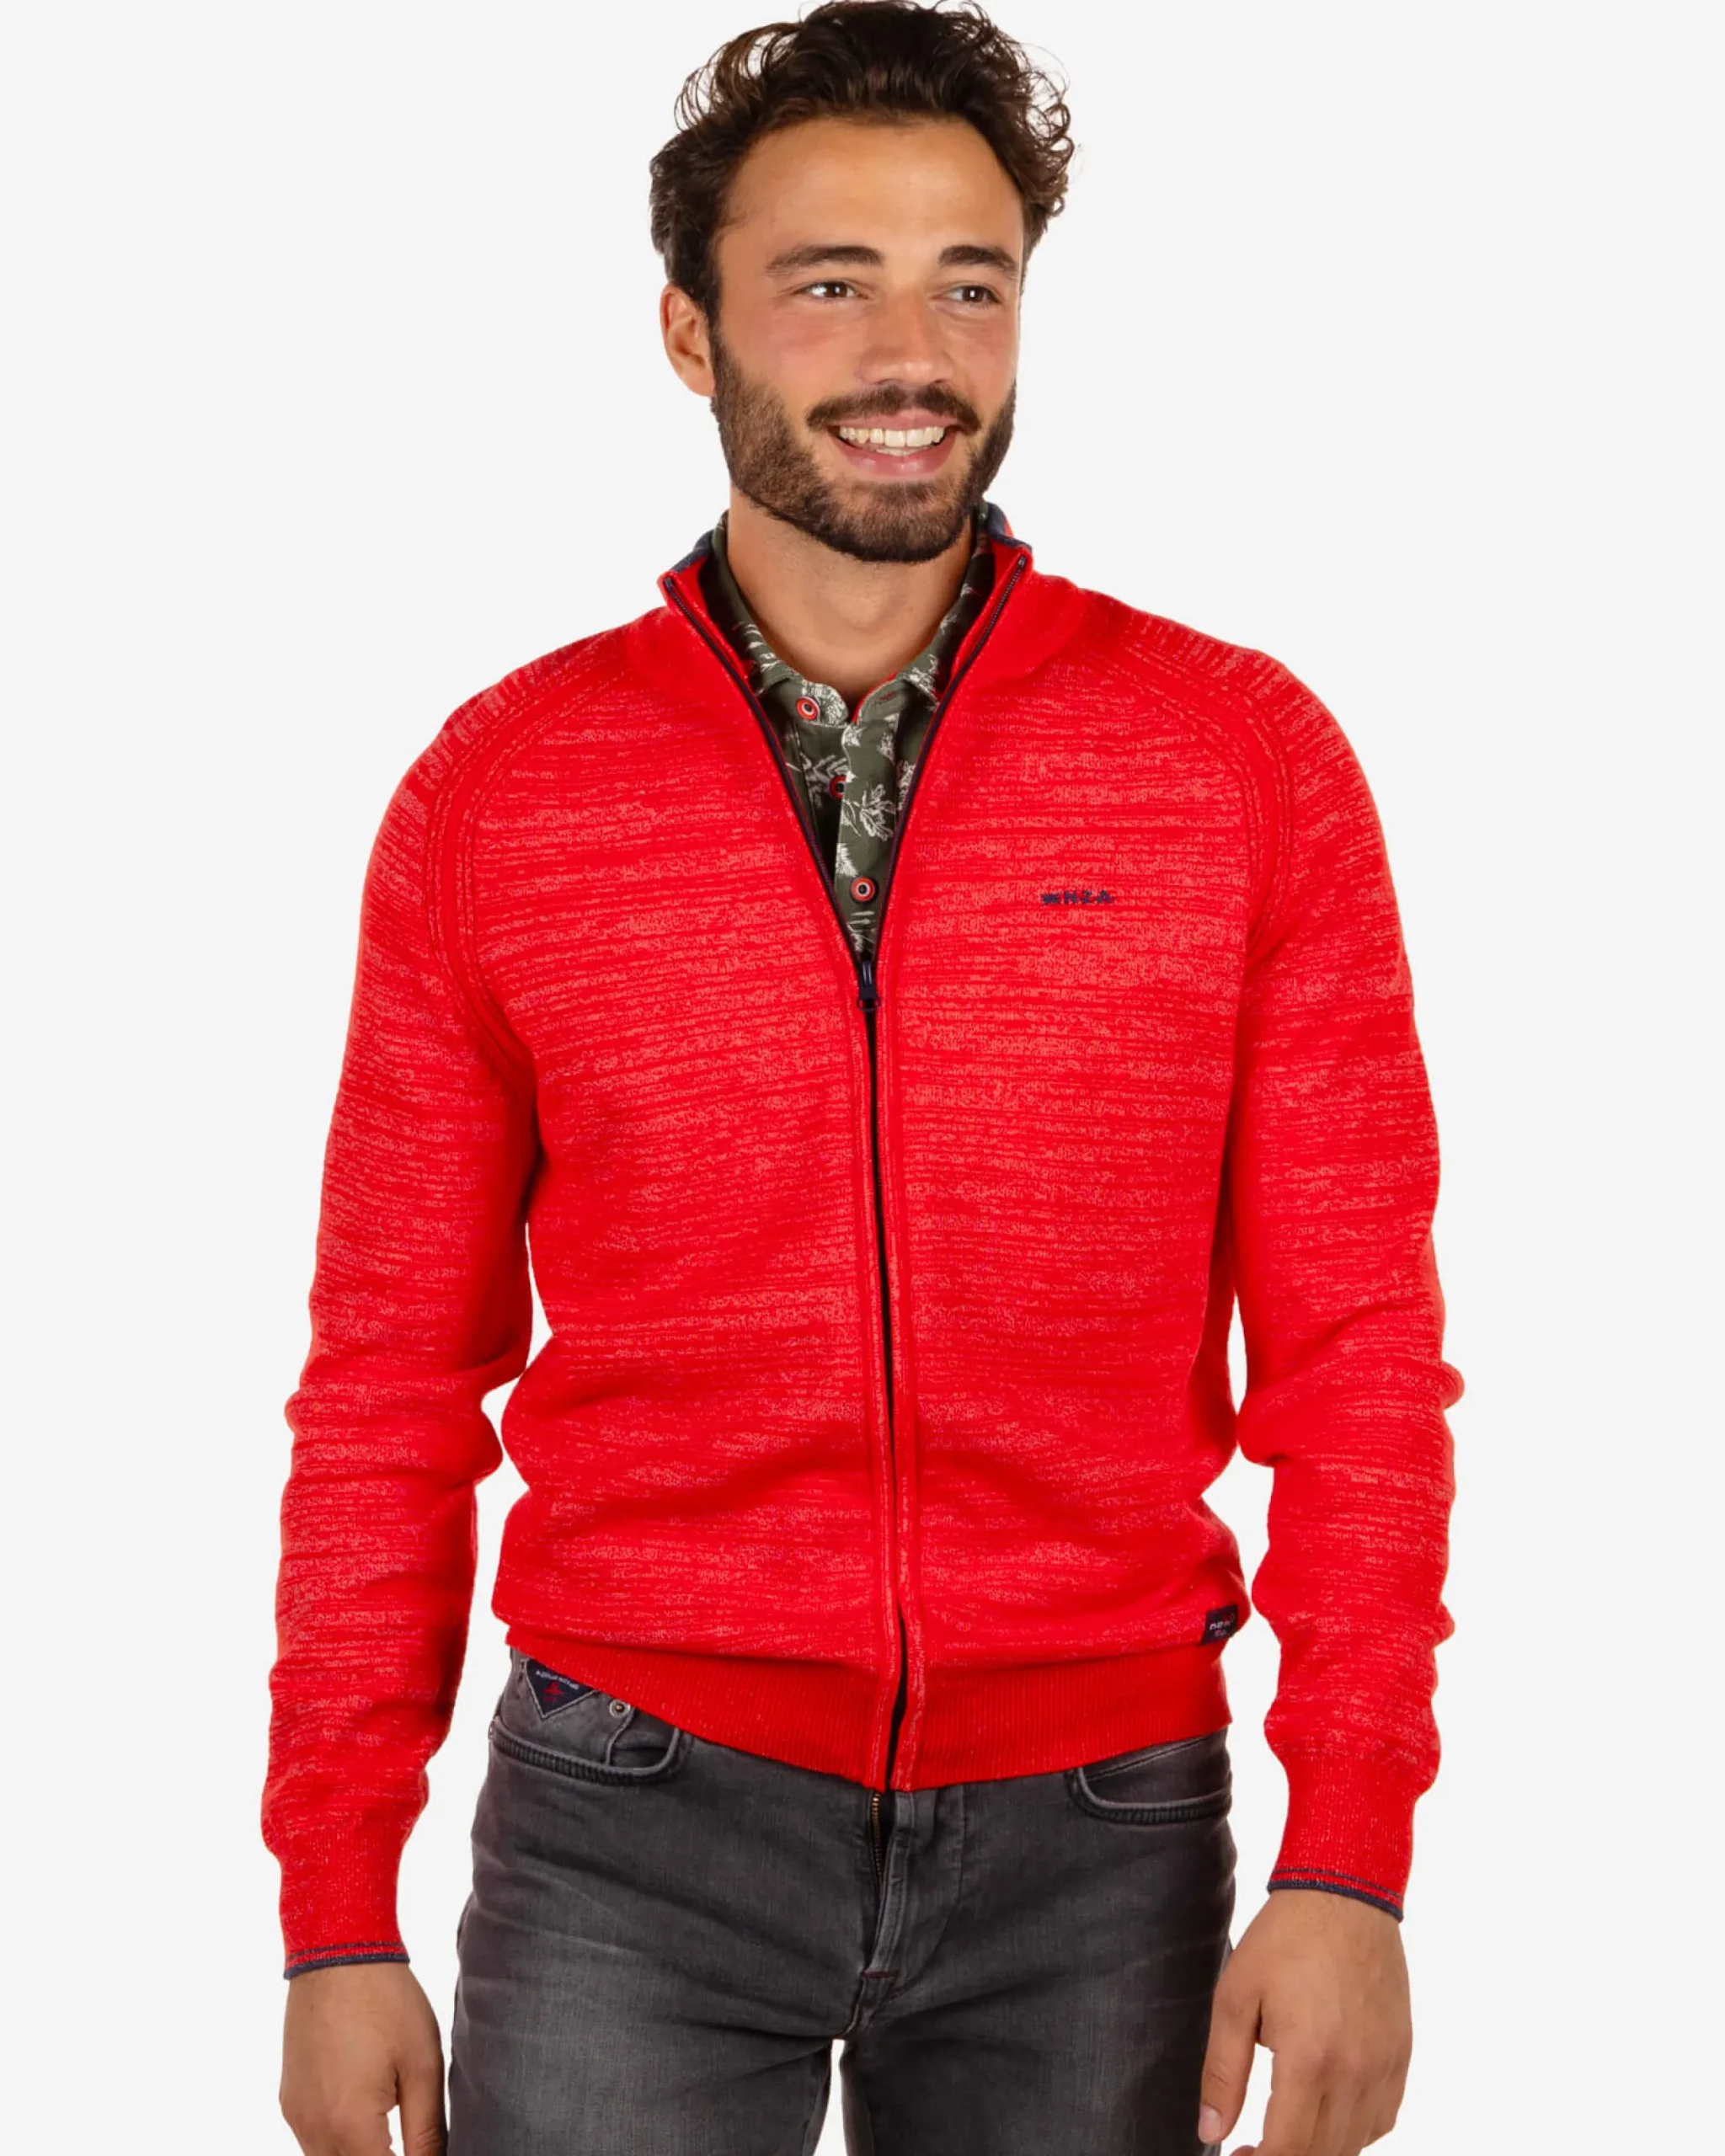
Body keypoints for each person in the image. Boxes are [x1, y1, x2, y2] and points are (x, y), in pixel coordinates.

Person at [267, 6, 1461, 2152]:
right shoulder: (503, 793)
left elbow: (1360, 1345)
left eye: (968, 285)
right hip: (628, 1814)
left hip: (1102, 1824)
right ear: (687, 329)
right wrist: (335, 1904)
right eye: (828, 282)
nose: (910, 354)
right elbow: (387, 1375)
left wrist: (1351, 1851)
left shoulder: (1236, 761)